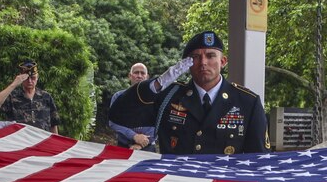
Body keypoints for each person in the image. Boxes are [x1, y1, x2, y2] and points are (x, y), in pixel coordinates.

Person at [109, 30, 269, 155]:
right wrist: (156, 85)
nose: (203, 62)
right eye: (196, 57)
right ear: (187, 64)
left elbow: (258, 158)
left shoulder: (247, 102)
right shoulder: (168, 97)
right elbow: (119, 114)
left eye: (210, 56)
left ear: (223, 62)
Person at [0, 59, 59, 134]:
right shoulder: (13, 97)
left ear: (37, 77)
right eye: (26, 79)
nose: (30, 81)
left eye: (33, 78)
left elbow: (54, 123)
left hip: (42, 141)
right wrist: (14, 84)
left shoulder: (45, 96)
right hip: (21, 141)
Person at [109, 62, 155, 149]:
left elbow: (158, 125)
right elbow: (113, 122)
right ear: (130, 76)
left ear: (147, 77)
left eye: (142, 73)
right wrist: (134, 136)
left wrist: (140, 144)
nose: (139, 76)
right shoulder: (118, 97)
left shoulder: (156, 99)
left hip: (148, 147)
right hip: (123, 146)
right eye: (136, 72)